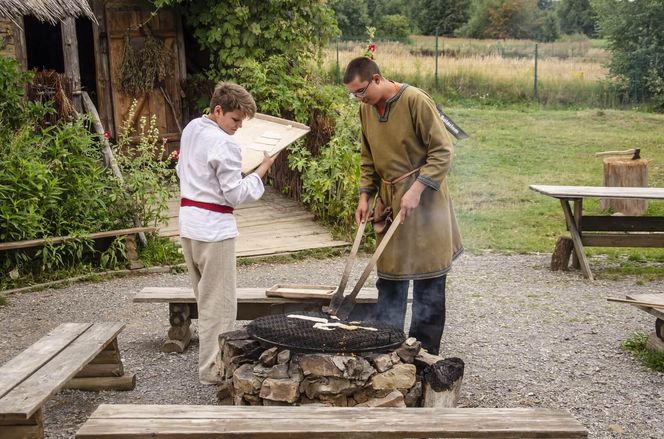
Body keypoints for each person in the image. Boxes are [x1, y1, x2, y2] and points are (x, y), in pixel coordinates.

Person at [343, 57, 463, 355]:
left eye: (361, 91)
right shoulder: (366, 110)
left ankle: (423, 357)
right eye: (353, 94)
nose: (359, 98)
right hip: (389, 200)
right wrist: (364, 195)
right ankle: (387, 349)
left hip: (425, 203)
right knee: (390, 278)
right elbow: (367, 157)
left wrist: (417, 189)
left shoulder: (415, 101)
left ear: (376, 79)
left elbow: (443, 151)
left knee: (428, 282)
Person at [177, 82, 277, 384]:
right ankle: (212, 370)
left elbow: (182, 170)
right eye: (235, 119)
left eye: (242, 121)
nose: (238, 127)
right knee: (218, 306)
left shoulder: (193, 127)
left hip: (189, 226)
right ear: (217, 110)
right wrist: (262, 170)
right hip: (214, 231)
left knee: (204, 299)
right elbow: (235, 195)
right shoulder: (225, 144)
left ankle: (212, 363)